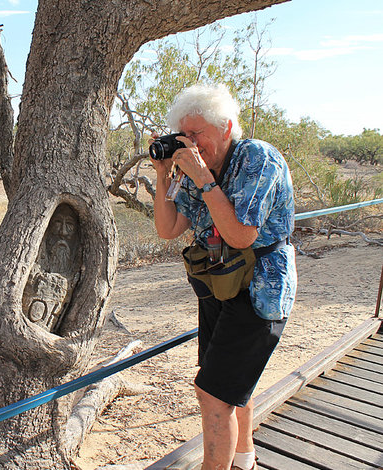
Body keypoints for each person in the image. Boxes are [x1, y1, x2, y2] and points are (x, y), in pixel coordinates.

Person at [151, 84, 297, 470]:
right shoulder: (198, 166)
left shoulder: (257, 159)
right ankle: (244, 459)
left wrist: (202, 178)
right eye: (185, 135)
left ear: (226, 127)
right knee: (230, 387)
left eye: (197, 134)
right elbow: (169, 228)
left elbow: (240, 235)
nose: (191, 143)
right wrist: (165, 175)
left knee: (212, 395)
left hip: (260, 290)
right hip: (218, 285)